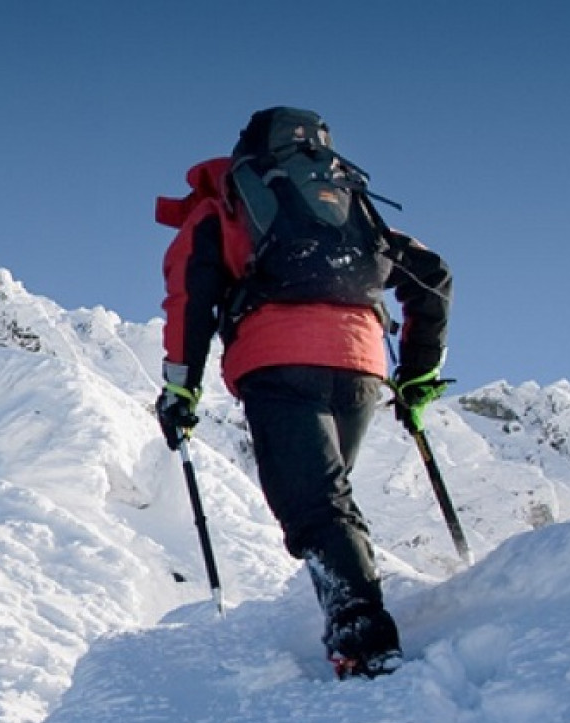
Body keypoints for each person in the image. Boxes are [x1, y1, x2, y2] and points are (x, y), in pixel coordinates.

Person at [154, 107, 452, 679]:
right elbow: (432, 277)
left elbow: (189, 303)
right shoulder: (350, 210)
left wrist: (179, 391)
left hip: (279, 363)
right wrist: (416, 375)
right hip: (361, 367)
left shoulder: (225, 209)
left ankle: (363, 641)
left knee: (316, 507)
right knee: (327, 501)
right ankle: (355, 623)